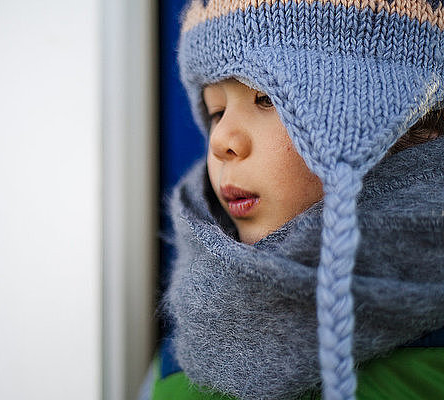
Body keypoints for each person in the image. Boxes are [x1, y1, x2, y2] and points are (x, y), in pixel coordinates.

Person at [139, 1, 444, 399]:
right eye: (217, 111)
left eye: (265, 99)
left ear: (384, 114)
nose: (220, 141)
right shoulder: (189, 335)